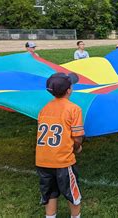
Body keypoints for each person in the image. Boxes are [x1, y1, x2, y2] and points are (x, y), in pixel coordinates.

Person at [36, 72, 84, 218]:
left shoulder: (44, 108)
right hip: (63, 161)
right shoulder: (74, 109)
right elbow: (78, 138)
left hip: (42, 160)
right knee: (72, 193)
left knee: (50, 193)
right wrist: (77, 148)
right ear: (69, 90)